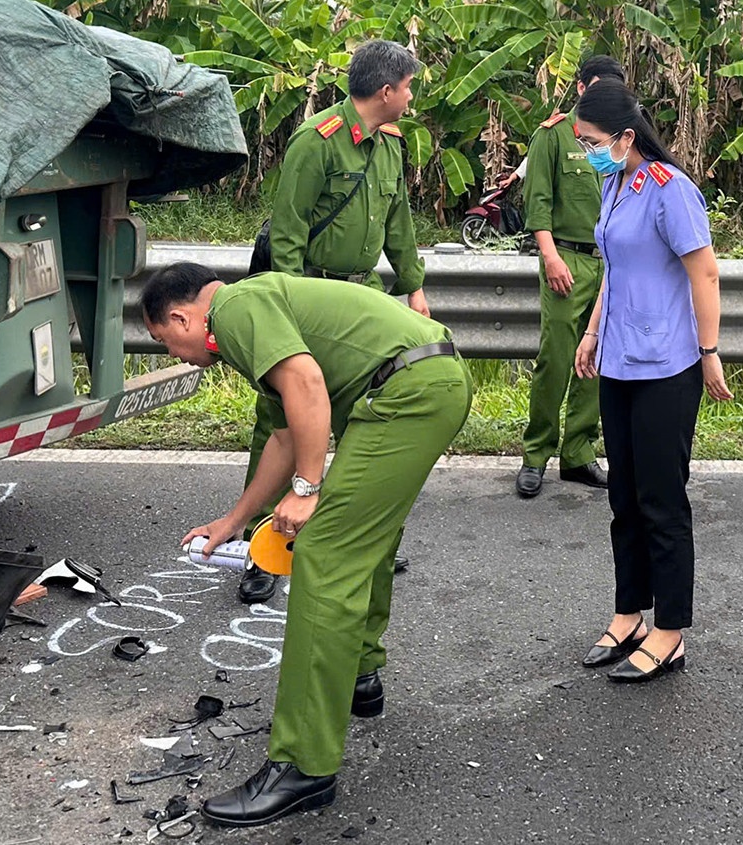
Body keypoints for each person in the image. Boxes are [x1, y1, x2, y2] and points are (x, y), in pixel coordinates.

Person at [142, 263, 471, 826]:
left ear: (181, 317)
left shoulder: (237, 309)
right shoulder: (255, 324)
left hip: (407, 393)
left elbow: (307, 386)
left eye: (163, 341)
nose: (172, 353)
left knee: (326, 554)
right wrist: (235, 519)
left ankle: (303, 766)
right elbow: (287, 435)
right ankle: (359, 677)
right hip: (422, 383)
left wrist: (307, 489)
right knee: (365, 538)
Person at [238, 38, 428, 605]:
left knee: (355, 422)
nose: (412, 96)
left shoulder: (389, 145)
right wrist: (290, 310)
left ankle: (341, 541)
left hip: (361, 300)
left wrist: (413, 288)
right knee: (281, 420)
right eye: (409, 86)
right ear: (386, 90)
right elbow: (289, 233)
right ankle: (260, 545)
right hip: (308, 295)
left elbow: (399, 224)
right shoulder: (315, 142)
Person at [572, 79, 732, 682]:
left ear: (626, 137)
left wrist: (708, 351)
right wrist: (591, 335)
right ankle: (628, 613)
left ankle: (669, 631)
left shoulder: (672, 191)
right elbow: (613, 272)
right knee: (623, 499)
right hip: (618, 360)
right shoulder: (613, 183)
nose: (585, 150)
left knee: (661, 501)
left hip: (667, 366)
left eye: (591, 140)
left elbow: (705, 273)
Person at [515, 55, 625, 498]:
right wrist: (550, 256)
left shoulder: (618, 139)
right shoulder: (554, 135)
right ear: (580, 89)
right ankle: (536, 454)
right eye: (597, 87)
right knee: (557, 358)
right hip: (565, 260)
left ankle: (578, 453)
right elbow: (537, 200)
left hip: (609, 261)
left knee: (594, 358)